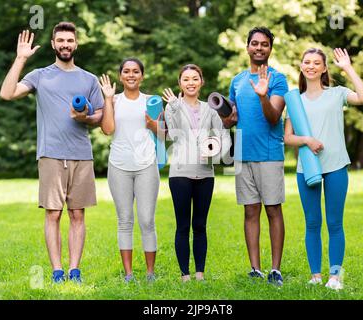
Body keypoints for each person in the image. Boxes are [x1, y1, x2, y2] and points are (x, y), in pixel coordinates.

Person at [0, 22, 104, 283]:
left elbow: (101, 116)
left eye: (70, 40)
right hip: (51, 155)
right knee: (53, 214)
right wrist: (20, 59)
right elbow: (7, 93)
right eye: (61, 40)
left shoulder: (89, 79)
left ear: (76, 44)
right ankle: (57, 271)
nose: (65, 45)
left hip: (81, 154)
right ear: (53, 44)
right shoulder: (40, 75)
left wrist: (85, 118)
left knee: (77, 214)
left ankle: (74, 270)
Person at [284, 48, 363, 290]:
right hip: (307, 168)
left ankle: (334, 277)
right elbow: (287, 137)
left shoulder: (337, 94)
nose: (311, 66)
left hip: (335, 166)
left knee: (334, 223)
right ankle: (315, 276)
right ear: (301, 66)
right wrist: (307, 141)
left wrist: (348, 68)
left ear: (323, 68)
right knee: (312, 222)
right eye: (306, 62)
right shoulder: (294, 101)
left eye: (316, 63)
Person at [221, 27, 288, 286]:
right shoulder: (237, 81)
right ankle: (256, 269)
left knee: (272, 209)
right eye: (255, 43)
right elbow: (229, 120)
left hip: (269, 154)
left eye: (264, 44)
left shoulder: (278, 80)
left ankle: (275, 270)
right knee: (250, 211)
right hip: (243, 154)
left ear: (270, 49)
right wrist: (226, 118)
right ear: (247, 47)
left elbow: (273, 118)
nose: (259, 48)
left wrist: (263, 96)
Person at [163, 64, 232, 282]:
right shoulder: (172, 106)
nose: (190, 82)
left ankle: (200, 273)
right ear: (180, 83)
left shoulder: (210, 109)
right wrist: (173, 107)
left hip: (205, 173)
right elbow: (173, 135)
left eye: (195, 78)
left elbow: (222, 135)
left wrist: (214, 152)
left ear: (201, 82)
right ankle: (185, 274)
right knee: (183, 225)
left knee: (200, 225)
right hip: (180, 173)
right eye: (186, 79)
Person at [99, 58, 162, 283]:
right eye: (126, 71)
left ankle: (150, 273)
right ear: (121, 76)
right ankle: (128, 274)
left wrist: (153, 124)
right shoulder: (113, 100)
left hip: (147, 166)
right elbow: (107, 129)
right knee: (124, 220)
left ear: (142, 76)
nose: (131, 75)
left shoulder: (151, 101)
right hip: (119, 166)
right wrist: (107, 99)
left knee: (146, 220)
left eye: (136, 71)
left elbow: (165, 136)